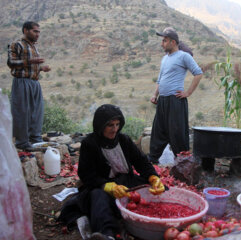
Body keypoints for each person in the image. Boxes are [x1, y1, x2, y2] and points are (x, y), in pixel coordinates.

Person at [58, 104, 165, 240]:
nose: (114, 129)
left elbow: (142, 162)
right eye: (110, 125)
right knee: (99, 200)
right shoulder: (90, 144)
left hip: (126, 182)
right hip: (101, 186)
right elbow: (86, 174)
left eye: (117, 124)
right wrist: (107, 186)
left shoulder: (124, 140)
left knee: (159, 190)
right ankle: (107, 234)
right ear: (100, 126)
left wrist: (153, 177)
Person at [148, 27, 203, 163]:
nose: (162, 44)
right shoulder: (164, 59)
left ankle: (183, 162)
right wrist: (155, 95)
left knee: (177, 132)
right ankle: (152, 160)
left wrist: (188, 92)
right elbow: (160, 79)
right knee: (158, 131)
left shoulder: (184, 56)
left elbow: (198, 73)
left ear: (173, 42)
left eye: (164, 41)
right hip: (163, 100)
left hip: (175, 100)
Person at [7, 21, 51, 150]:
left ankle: (35, 138)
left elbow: (30, 67)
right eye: (35, 31)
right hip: (22, 82)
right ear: (26, 30)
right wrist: (31, 61)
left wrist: (41, 68)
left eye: (38, 32)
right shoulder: (17, 44)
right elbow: (11, 62)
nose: (38, 34)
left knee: (37, 111)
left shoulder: (34, 46)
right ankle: (22, 142)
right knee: (22, 111)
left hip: (34, 82)